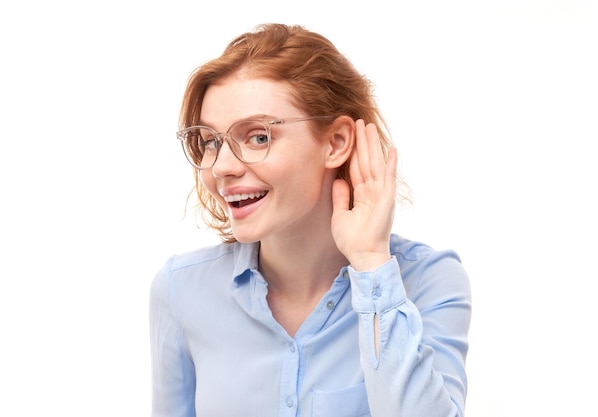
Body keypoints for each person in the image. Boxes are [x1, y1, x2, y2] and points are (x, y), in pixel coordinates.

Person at [149, 23, 471, 417]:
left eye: (258, 137)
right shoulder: (181, 291)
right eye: (211, 142)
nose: (222, 168)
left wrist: (370, 262)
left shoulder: (428, 281)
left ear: (335, 143)